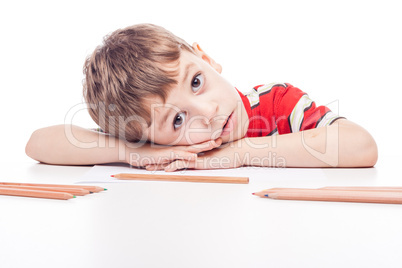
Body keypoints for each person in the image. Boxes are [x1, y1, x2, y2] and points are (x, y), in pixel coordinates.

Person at [25, 24, 378, 171]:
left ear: (207, 59)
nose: (207, 113)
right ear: (151, 137)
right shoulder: (159, 149)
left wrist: (236, 153)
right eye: (177, 121)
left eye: (196, 82)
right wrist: (133, 152)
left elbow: (361, 146)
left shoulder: (277, 105)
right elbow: (38, 144)